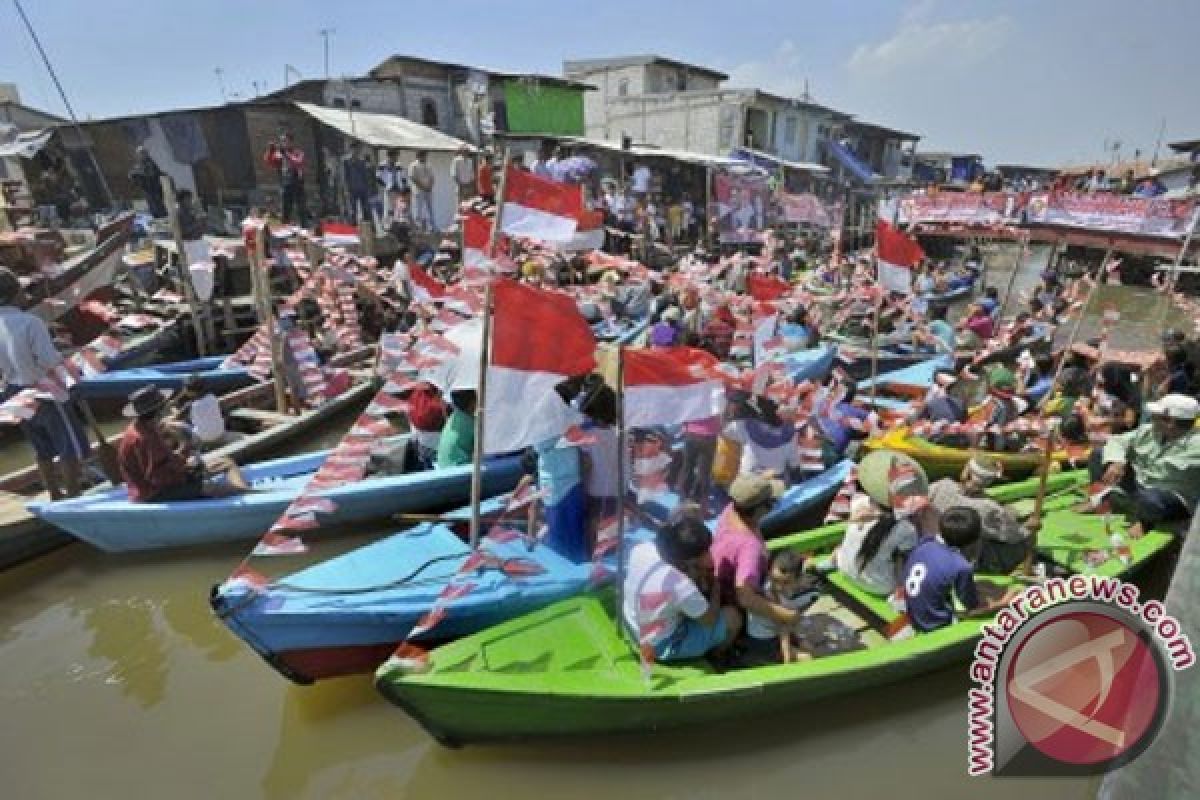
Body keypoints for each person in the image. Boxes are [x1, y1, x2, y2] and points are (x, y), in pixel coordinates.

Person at [0, 267, 90, 499]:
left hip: (13, 392)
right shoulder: (30, 322)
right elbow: (48, 360)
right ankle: (72, 494)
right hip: (42, 390)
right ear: (15, 293)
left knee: (41, 447)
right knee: (68, 444)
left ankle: (53, 493)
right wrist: (67, 362)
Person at [622, 511, 740, 662]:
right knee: (733, 617)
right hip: (658, 645)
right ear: (690, 560)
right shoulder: (681, 585)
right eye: (706, 550)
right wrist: (716, 588)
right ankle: (718, 656)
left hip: (632, 622)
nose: (710, 553)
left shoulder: (642, 548)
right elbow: (709, 620)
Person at [1086, 394, 1200, 538]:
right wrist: (1116, 462)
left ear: (1169, 422)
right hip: (1140, 485)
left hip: (1168, 498)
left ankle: (1146, 521)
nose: (1152, 417)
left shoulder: (1196, 444)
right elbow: (1118, 441)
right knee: (1099, 454)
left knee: (1152, 499)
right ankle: (1101, 499)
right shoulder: (1149, 431)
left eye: (1156, 415)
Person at [117, 386, 248, 502]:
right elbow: (159, 479)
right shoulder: (144, 438)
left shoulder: (145, 427)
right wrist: (186, 466)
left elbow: (164, 464)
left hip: (166, 477)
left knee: (225, 462)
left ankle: (246, 493)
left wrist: (184, 464)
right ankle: (250, 497)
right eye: (164, 405)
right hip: (153, 492)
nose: (167, 408)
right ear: (158, 410)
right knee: (209, 487)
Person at [711, 473, 803, 630]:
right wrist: (787, 615)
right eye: (770, 503)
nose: (772, 506)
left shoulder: (731, 509)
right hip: (732, 599)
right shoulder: (749, 547)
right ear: (756, 510)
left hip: (720, 584)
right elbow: (745, 598)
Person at [834, 451, 931, 597]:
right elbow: (903, 564)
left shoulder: (858, 501)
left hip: (845, 569)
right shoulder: (906, 529)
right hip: (879, 586)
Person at [903, 507, 1014, 633]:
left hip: (914, 615)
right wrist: (1003, 602)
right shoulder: (960, 566)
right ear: (973, 540)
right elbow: (971, 607)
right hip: (935, 624)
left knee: (984, 585)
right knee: (1001, 598)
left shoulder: (925, 542)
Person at [929, 455, 1034, 573]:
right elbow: (1014, 536)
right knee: (1027, 539)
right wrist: (1029, 526)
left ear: (966, 471)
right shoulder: (988, 508)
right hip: (963, 557)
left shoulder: (941, 486)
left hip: (932, 546)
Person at [743, 549, 818, 663]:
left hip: (773, 635)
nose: (779, 587)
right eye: (776, 580)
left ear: (797, 580)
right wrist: (787, 659)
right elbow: (783, 631)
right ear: (769, 573)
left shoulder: (770, 585)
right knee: (808, 658)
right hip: (763, 643)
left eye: (786, 583)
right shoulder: (772, 596)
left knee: (808, 646)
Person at [263, 132, 307, 226]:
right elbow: (269, 162)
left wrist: (286, 154)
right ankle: (285, 230)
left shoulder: (298, 153)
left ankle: (304, 228)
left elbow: (298, 163)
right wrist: (270, 150)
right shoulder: (280, 155)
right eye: (282, 141)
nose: (283, 143)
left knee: (301, 209)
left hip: (297, 184)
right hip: (285, 185)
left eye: (285, 141)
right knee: (285, 210)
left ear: (291, 142)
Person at [435, 389, 476, 468]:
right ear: (473, 402)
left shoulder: (454, 416)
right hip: (459, 468)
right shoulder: (472, 423)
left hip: (443, 466)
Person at [128, 146, 166, 218]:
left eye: (144, 153)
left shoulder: (150, 162)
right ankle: (157, 216)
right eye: (141, 154)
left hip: (155, 187)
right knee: (152, 204)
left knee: (159, 203)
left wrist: (163, 175)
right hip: (148, 189)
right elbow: (132, 174)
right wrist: (137, 177)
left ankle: (163, 215)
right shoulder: (139, 165)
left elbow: (155, 172)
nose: (143, 155)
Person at [341, 142, 373, 223]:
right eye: (355, 149)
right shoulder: (346, 161)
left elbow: (365, 176)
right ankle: (352, 227)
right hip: (351, 189)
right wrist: (346, 189)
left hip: (362, 188)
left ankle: (367, 229)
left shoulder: (362, 161)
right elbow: (344, 176)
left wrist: (368, 188)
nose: (357, 151)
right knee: (352, 210)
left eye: (358, 149)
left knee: (366, 209)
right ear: (351, 149)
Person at [408, 151, 436, 232]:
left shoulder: (429, 165)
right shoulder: (413, 165)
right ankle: (418, 227)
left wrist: (430, 186)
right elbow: (413, 178)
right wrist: (423, 187)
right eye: (423, 155)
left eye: (425, 155)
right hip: (418, 190)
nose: (425, 157)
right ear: (418, 156)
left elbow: (432, 177)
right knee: (418, 209)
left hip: (428, 190)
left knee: (430, 208)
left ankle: (432, 226)